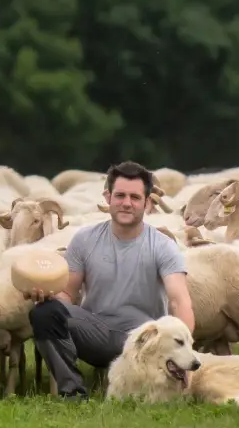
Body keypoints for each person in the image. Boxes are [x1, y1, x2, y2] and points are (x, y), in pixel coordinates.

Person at [24, 160, 194, 399]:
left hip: (142, 341)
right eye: (120, 195)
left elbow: (179, 301)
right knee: (43, 312)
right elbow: (67, 294)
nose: (126, 203)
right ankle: (72, 392)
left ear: (147, 203)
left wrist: (184, 352)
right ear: (108, 197)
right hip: (95, 331)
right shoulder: (84, 240)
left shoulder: (163, 246)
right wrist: (45, 298)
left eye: (135, 198)